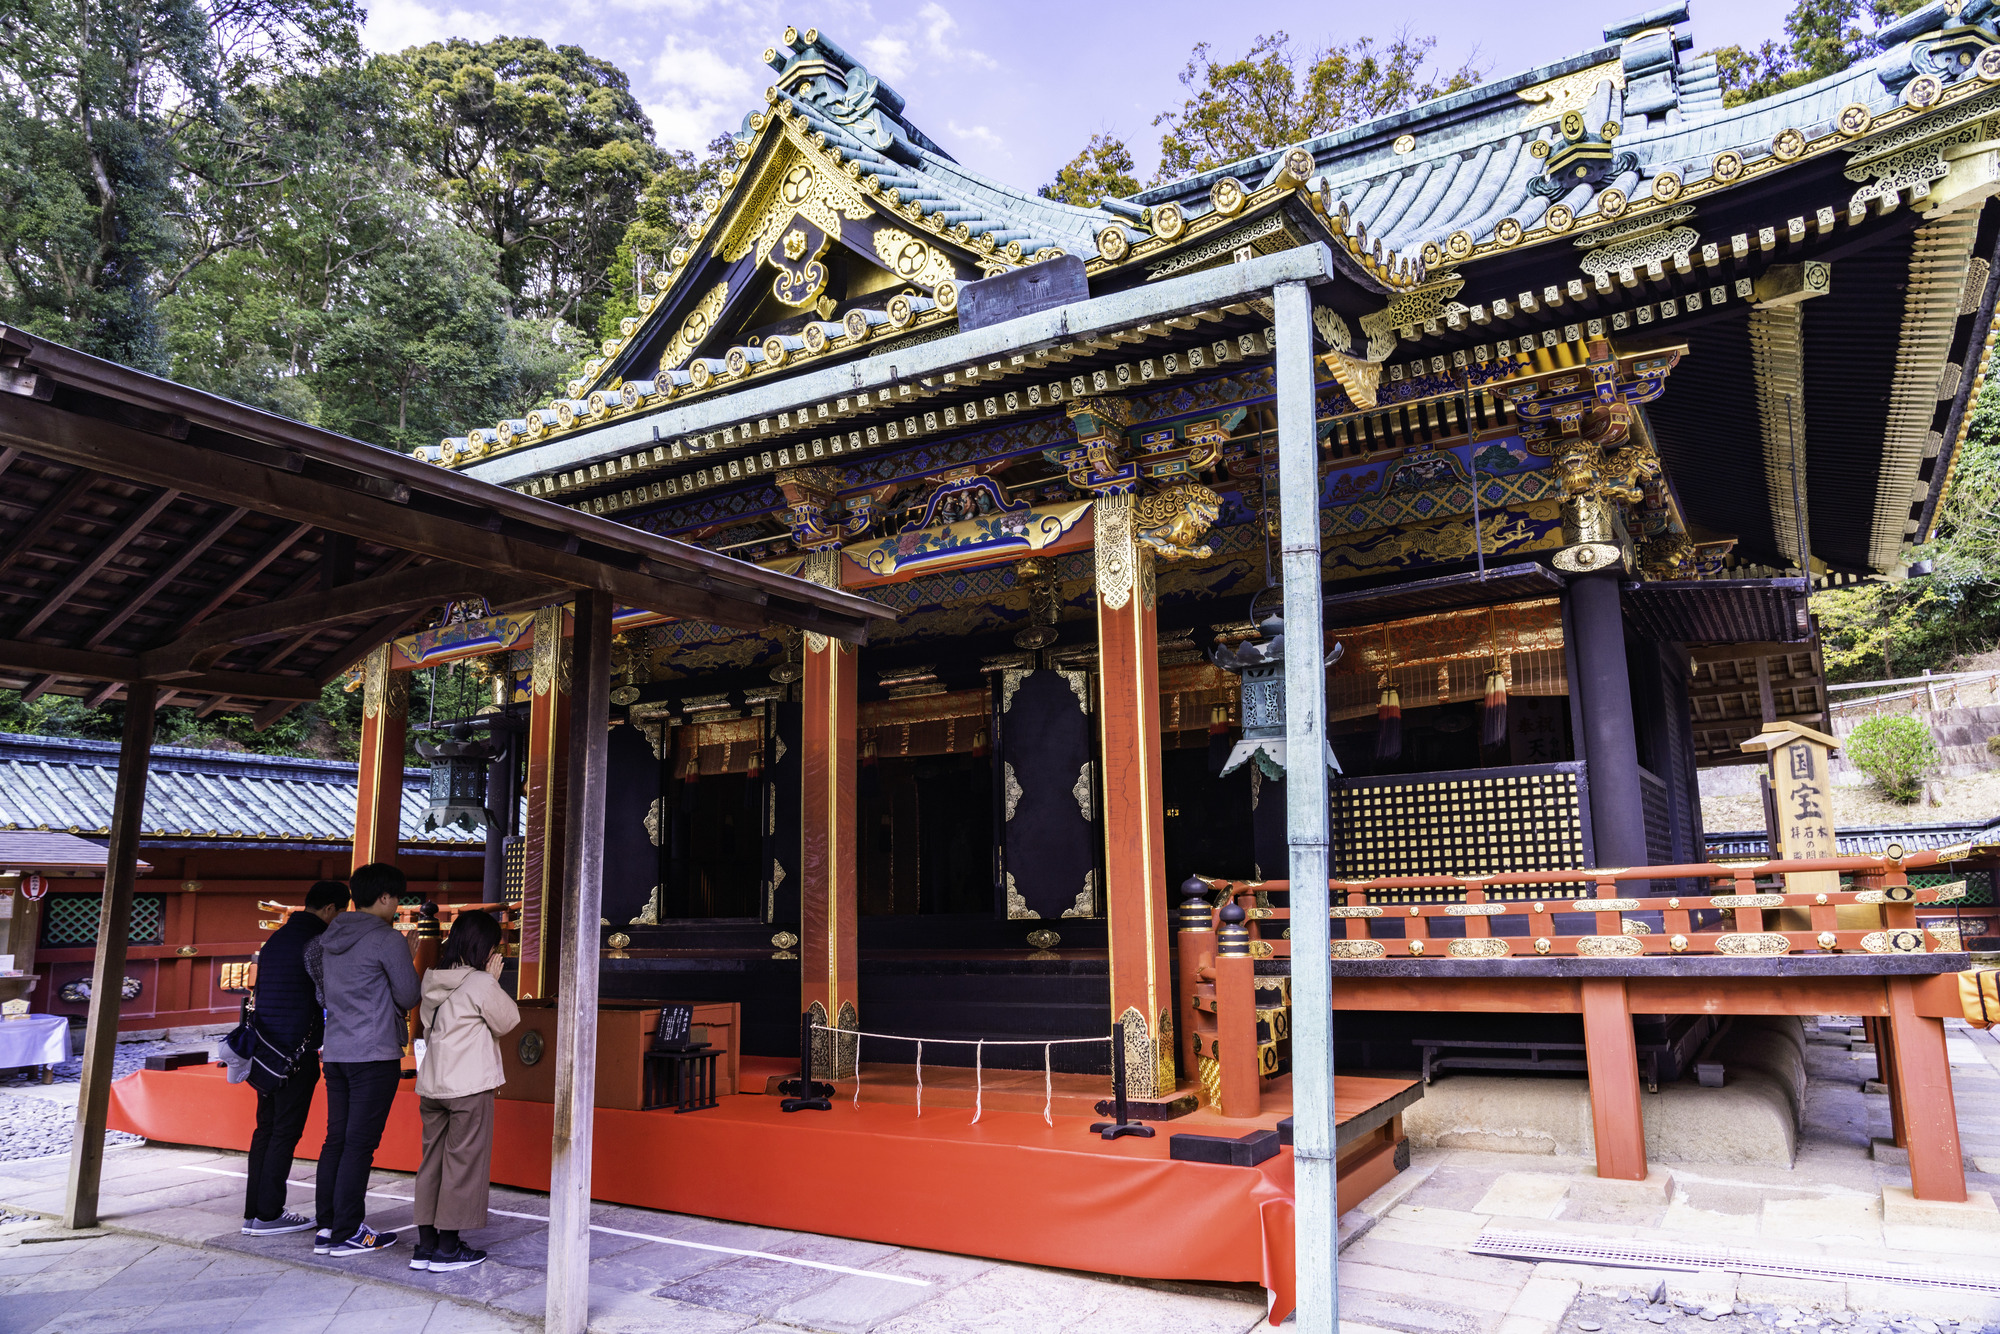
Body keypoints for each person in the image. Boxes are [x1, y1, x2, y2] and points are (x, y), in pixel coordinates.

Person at [312, 861, 420, 1257]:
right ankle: (348, 1231)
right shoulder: (385, 939)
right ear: (386, 897)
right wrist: (407, 958)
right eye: (396, 898)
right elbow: (408, 996)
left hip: (337, 1049)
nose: (397, 905)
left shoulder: (332, 934)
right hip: (373, 1052)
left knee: (336, 1139)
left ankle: (328, 1226)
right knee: (360, 1144)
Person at [410, 910, 518, 1272]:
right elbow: (507, 1021)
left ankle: (425, 1245)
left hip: (433, 1083)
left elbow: (428, 1024)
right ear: (485, 947)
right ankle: (448, 1247)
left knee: (433, 1162)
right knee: (463, 1165)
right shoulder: (480, 983)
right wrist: (492, 981)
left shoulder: (432, 978)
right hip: (468, 1085)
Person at [240, 879, 347, 1236]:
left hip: (266, 1050)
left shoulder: (277, 939)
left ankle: (254, 1211)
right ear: (331, 909)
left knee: (266, 1129)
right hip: (294, 1054)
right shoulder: (316, 942)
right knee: (285, 1132)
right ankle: (269, 1214)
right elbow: (326, 996)